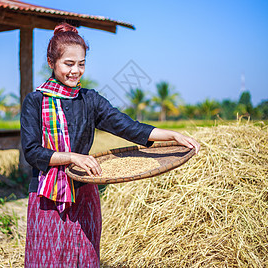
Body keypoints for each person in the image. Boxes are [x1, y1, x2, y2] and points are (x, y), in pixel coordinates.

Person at [20, 22, 200, 267]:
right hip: (47, 195)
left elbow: (128, 126)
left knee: (83, 257)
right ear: (52, 63)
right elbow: (32, 152)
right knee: (47, 259)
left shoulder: (90, 100)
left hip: (83, 190)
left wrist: (172, 135)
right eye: (69, 64)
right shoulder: (35, 101)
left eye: (81, 64)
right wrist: (72, 157)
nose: (76, 71)